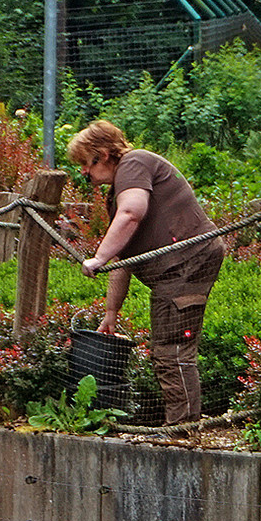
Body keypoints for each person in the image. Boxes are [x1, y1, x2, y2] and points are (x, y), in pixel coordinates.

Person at [67, 119, 224, 424]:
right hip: (176, 269)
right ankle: (182, 426)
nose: (84, 172)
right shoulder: (121, 185)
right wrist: (111, 313)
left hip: (185, 264)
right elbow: (122, 260)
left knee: (172, 351)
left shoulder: (134, 163)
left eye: (86, 163)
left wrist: (98, 257)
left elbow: (131, 213)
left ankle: (182, 430)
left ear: (104, 153)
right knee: (170, 350)